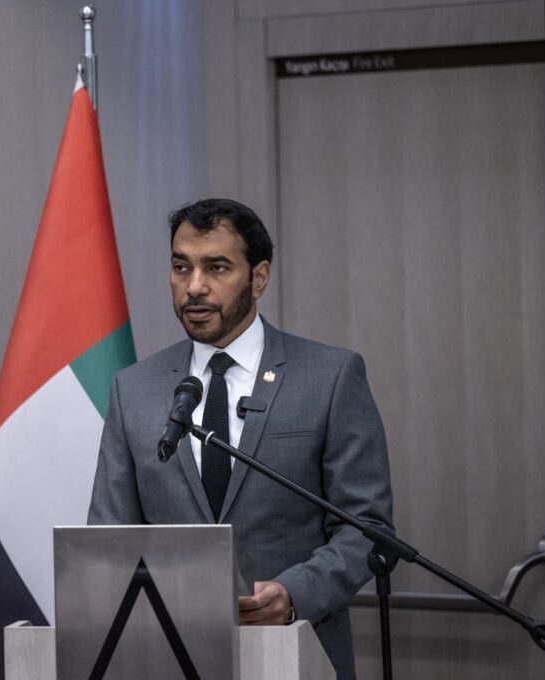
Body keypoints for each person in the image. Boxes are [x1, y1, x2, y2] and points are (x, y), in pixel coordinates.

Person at [88, 198, 394, 679]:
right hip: (167, 659)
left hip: (295, 653)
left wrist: (294, 594)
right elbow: (110, 540)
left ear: (259, 277)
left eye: (217, 267)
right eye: (180, 266)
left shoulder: (332, 377)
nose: (194, 287)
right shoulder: (133, 390)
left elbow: (367, 528)